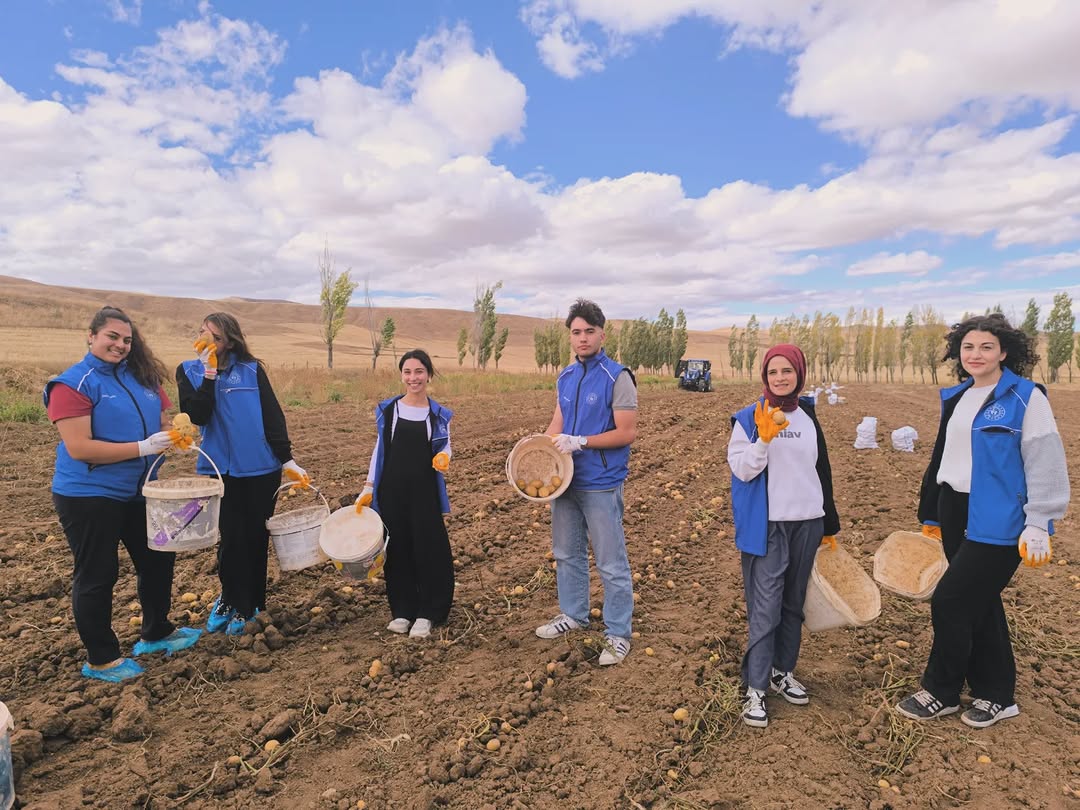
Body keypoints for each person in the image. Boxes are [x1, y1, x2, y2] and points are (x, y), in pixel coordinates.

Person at [896, 313, 1069, 728]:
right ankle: (996, 695)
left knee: (951, 600)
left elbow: (1046, 462)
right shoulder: (958, 397)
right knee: (980, 602)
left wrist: (1038, 521)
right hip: (956, 510)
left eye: (986, 346)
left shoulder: (1026, 397)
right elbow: (944, 458)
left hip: (1001, 518)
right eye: (968, 347)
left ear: (1004, 352)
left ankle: (942, 690)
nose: (976, 354)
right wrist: (932, 513)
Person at [45, 306, 200, 682]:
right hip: (89, 493)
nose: (120, 344)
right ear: (91, 336)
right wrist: (143, 447)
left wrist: (173, 435)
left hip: (140, 489)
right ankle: (102, 658)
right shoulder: (73, 384)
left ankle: (156, 632)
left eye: (127, 339)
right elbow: (80, 447)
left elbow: (163, 419)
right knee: (98, 573)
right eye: (112, 336)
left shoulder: (143, 378)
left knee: (157, 559)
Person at [728, 344, 840, 727]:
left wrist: (829, 527)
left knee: (794, 604)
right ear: (764, 376)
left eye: (787, 371)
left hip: (807, 522)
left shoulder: (808, 415)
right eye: (773, 372)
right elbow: (742, 471)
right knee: (766, 607)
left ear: (799, 373)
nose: (780, 378)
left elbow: (820, 471)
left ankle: (782, 672)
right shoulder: (748, 418)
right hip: (770, 526)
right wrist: (763, 439)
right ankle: (755, 689)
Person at [176, 312, 308, 635]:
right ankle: (232, 598)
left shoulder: (250, 370)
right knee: (231, 539)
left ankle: (253, 606)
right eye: (204, 333)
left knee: (255, 538)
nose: (208, 341)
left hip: (262, 469)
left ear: (230, 342)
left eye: (216, 338)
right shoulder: (188, 371)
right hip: (221, 472)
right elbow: (198, 414)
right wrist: (208, 374)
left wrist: (287, 460)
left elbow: (272, 415)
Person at [535, 299, 637, 666]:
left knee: (610, 560)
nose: (582, 338)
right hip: (566, 482)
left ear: (601, 334)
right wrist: (542, 454)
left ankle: (618, 632)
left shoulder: (617, 376)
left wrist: (582, 442)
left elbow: (626, 432)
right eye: (576, 332)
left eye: (589, 331)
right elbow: (557, 423)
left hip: (601, 481)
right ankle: (574, 615)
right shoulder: (565, 376)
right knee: (566, 553)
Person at [354, 349, 454, 639]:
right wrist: (369, 487)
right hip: (392, 490)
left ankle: (429, 612)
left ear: (429, 375)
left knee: (428, 548)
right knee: (396, 550)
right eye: (408, 372)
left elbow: (446, 445)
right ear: (402, 375)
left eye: (419, 371)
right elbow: (379, 451)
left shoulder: (437, 414)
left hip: (423, 492)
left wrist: (444, 457)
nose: (414, 378)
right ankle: (402, 610)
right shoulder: (389, 410)